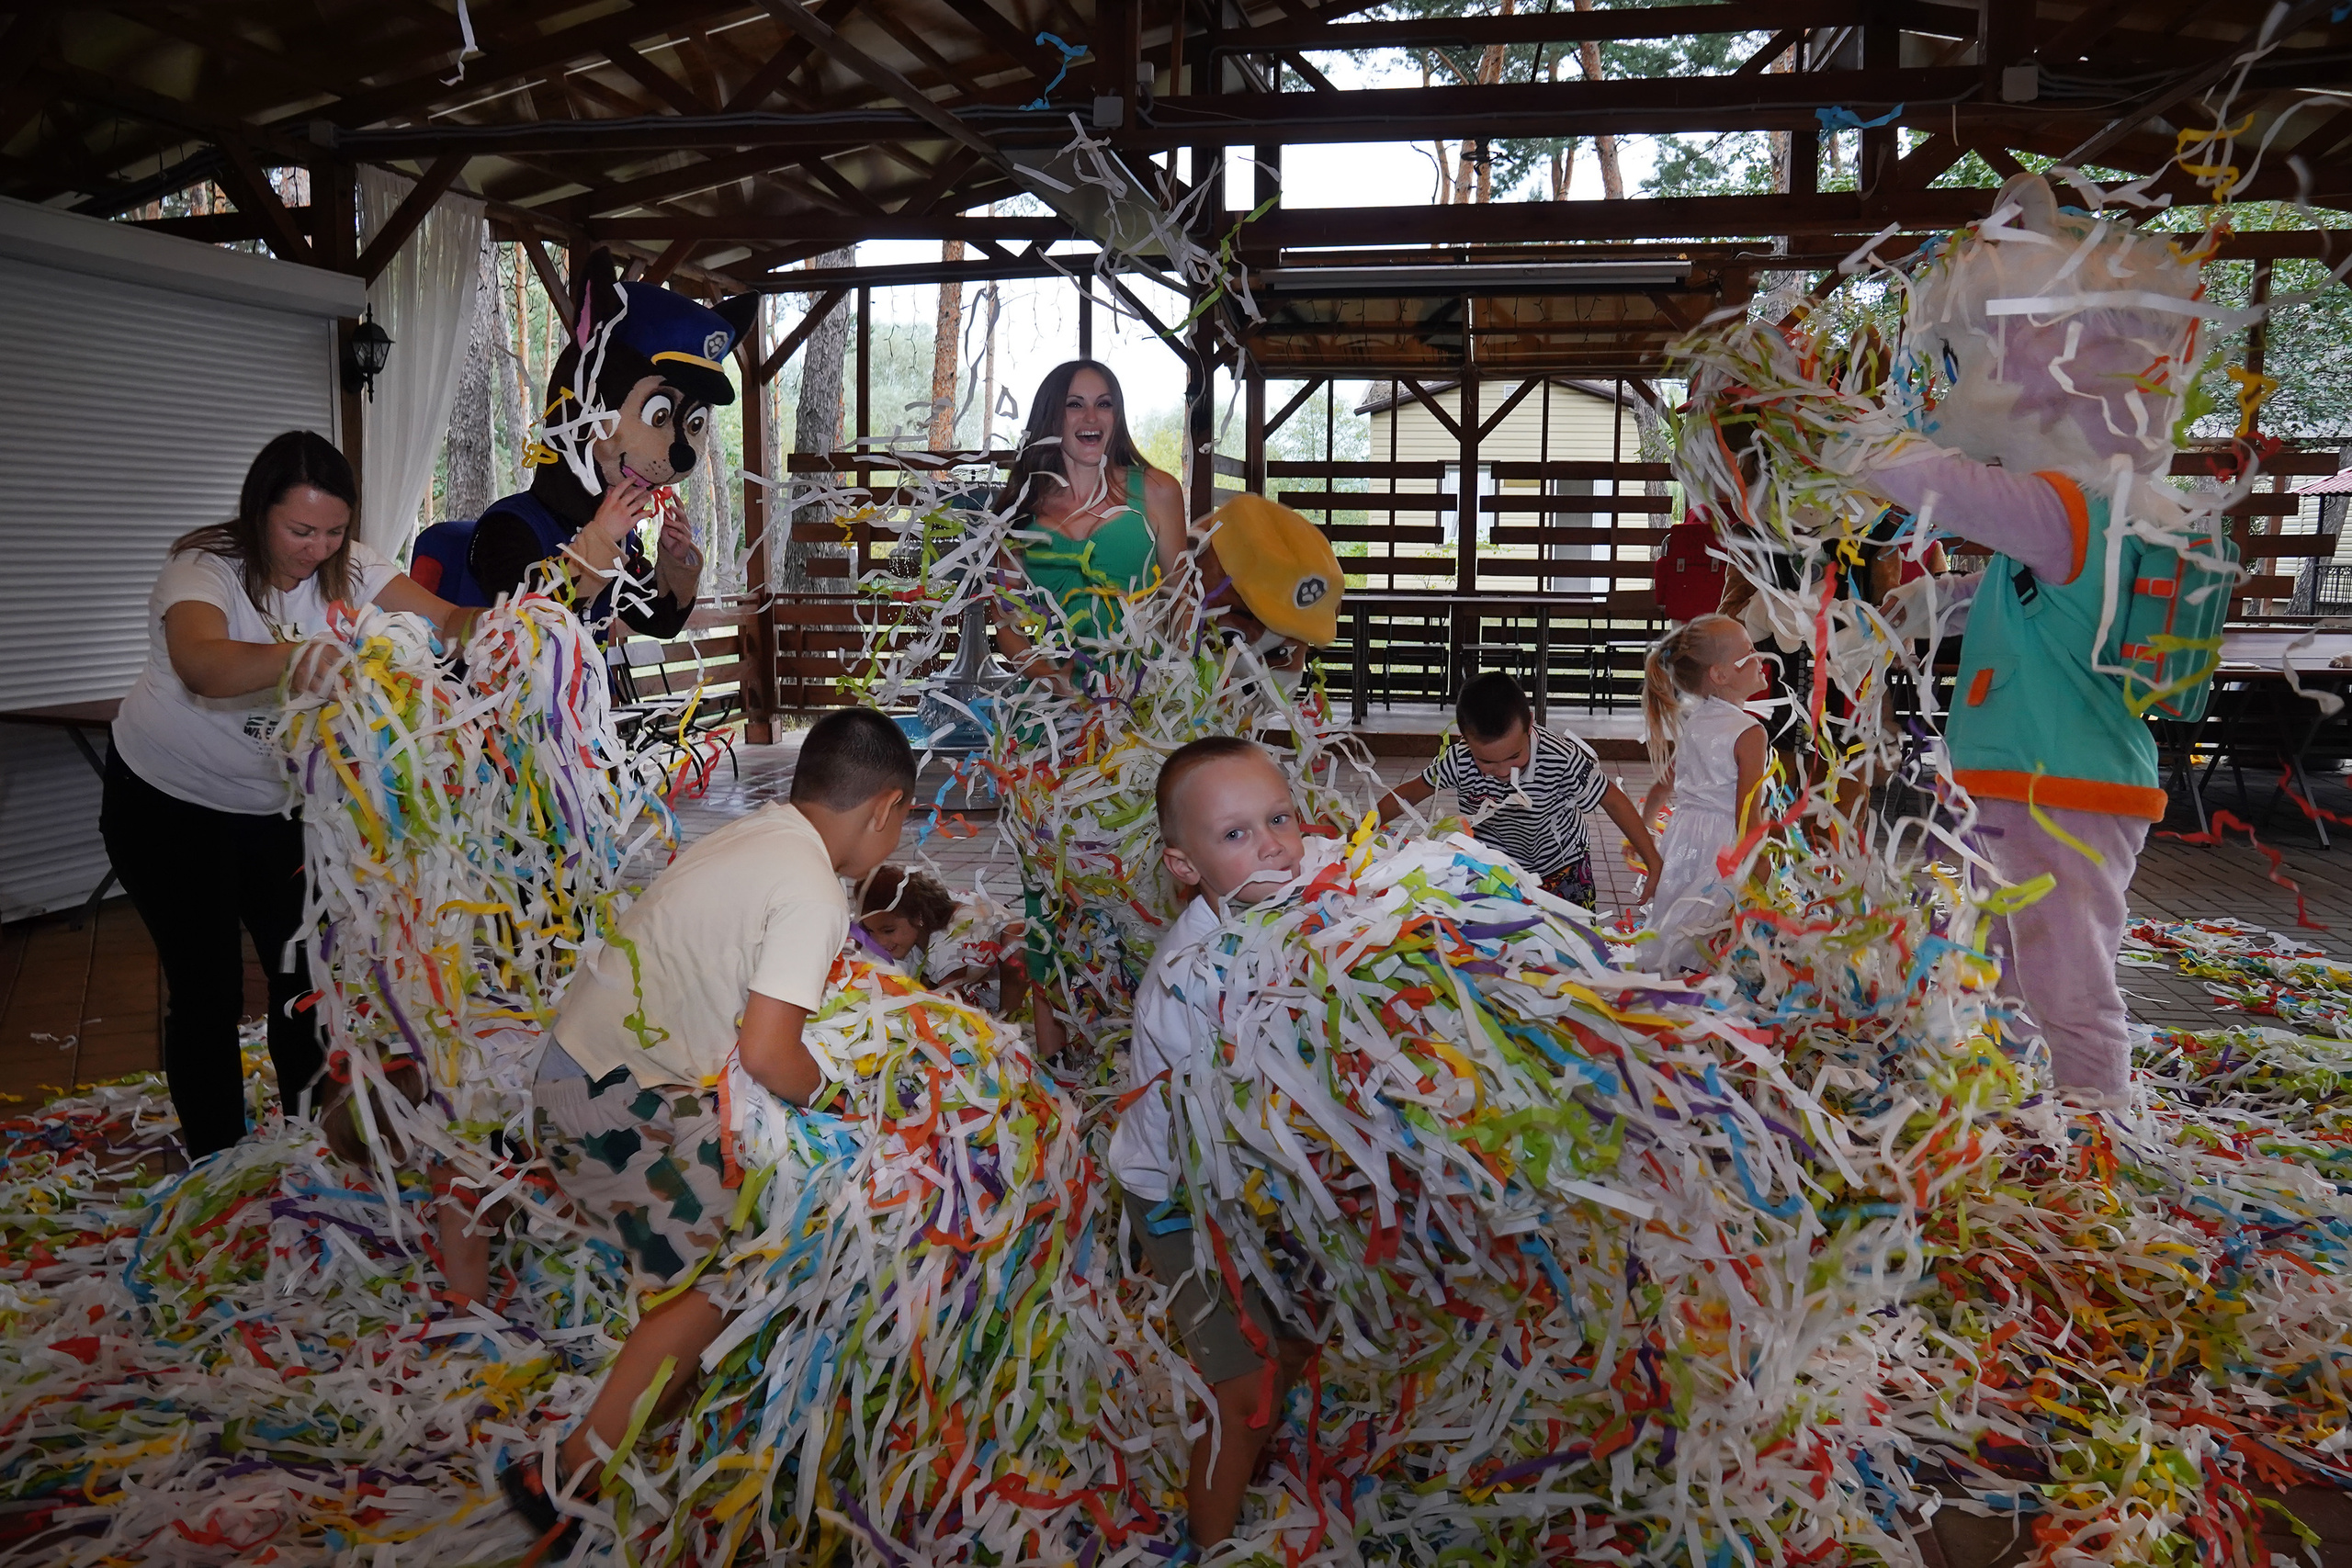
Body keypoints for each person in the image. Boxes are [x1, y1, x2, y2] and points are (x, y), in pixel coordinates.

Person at [502, 707, 915, 1554]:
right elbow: (770, 1053)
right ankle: (568, 1469)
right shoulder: (812, 891)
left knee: (721, 1235)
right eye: (900, 823)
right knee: (726, 1268)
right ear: (886, 808)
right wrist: (842, 1103)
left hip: (573, 1071)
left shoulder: (760, 831)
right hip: (616, 1103)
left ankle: (673, 1390)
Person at [103, 431, 475, 1161]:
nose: (317, 547)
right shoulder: (202, 571)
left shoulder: (352, 567)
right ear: (259, 513)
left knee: (303, 976)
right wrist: (305, 657)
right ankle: (218, 1159)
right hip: (167, 804)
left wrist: (536, 619)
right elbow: (203, 665)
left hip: (277, 810)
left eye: (334, 530)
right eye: (300, 530)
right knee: (206, 989)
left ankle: (310, 1138)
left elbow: (449, 624)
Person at [1108, 737, 1321, 1550]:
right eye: (1235, 834)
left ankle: (1251, 1450)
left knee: (1295, 1336)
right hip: (1178, 1191)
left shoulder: (1302, 887)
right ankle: (1211, 1542)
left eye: (1279, 817)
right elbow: (1217, 1135)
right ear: (1183, 865)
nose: (1270, 843)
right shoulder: (1189, 980)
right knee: (1248, 1389)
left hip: (1267, 1177)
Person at [992, 360, 1190, 1056]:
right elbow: (1009, 627)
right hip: (1044, 727)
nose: (1091, 417)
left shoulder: (1155, 493)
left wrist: (1155, 687)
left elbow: (1181, 602)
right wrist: (1059, 684)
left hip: (1140, 722)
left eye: (1105, 403)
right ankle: (1052, 1052)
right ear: (1053, 415)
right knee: (1048, 886)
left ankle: (1145, 1041)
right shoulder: (1017, 510)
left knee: (1141, 878)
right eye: (1076, 404)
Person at [411, 253, 757, 643]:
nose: (682, 451)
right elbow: (529, 621)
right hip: (502, 705)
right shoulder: (508, 527)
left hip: (587, 703)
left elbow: (659, 621)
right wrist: (600, 543)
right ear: (585, 410)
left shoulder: (617, 537)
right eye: (658, 417)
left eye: (694, 424)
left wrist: (675, 565)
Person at [1375, 672, 1661, 909]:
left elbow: (1612, 801)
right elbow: (1409, 795)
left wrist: (1653, 862)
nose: (1501, 770)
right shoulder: (1459, 759)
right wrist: (1363, 829)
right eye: (1486, 761)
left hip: (1561, 870)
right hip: (1494, 871)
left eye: (1514, 756)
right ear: (1464, 738)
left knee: (1573, 946)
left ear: (1530, 725)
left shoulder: (1561, 757)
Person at [1638, 615, 1770, 973]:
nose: (1760, 658)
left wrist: (1646, 831)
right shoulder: (1750, 732)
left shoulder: (1696, 721)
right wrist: (1759, 860)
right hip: (1723, 846)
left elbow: (1663, 785)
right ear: (1720, 675)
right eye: (1749, 652)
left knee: (1677, 918)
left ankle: (1663, 983)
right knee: (1709, 926)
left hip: (1682, 837)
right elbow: (1747, 811)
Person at [852, 864, 957, 976]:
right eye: (870, 930)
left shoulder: (949, 948)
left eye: (889, 931)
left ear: (917, 915)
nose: (880, 942)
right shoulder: (907, 944)